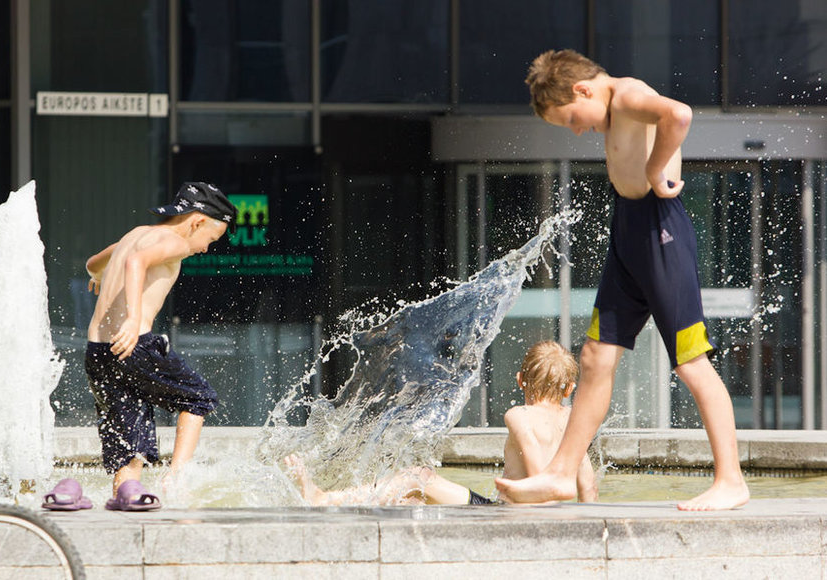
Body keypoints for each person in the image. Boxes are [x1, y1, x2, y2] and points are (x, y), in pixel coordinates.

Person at [495, 49, 750, 511]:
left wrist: (656, 168)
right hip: (630, 232)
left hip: (660, 234)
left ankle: (731, 480)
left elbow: (679, 113)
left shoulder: (628, 94)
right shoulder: (610, 108)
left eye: (571, 118)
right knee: (594, 356)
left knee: (690, 361)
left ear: (582, 89)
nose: (576, 129)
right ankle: (559, 473)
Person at [286, 341, 597, 506]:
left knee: (416, 477)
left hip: (506, 517)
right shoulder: (574, 421)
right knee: (410, 498)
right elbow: (589, 489)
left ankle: (323, 498)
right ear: (570, 390)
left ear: (520, 380)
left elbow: (538, 477)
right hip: (538, 516)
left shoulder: (519, 415)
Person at [83, 181, 236, 511]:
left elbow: (94, 261)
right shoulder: (174, 241)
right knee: (198, 397)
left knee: (129, 441)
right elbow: (136, 263)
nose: (207, 248)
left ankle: (127, 499)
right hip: (132, 345)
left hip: (98, 351)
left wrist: (97, 275)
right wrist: (132, 319)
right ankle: (176, 478)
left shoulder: (135, 233)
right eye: (211, 239)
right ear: (196, 222)